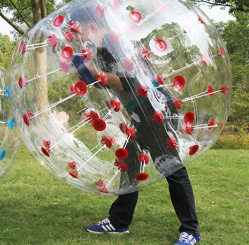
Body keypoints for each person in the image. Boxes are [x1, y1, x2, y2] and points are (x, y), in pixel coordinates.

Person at [70, 6, 200, 245]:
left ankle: (190, 231)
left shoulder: (114, 44)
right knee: (129, 161)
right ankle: (119, 221)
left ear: (90, 25)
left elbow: (133, 82)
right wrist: (88, 74)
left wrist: (97, 73)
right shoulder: (102, 50)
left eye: (78, 29)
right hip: (140, 111)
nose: (78, 36)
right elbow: (110, 83)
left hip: (155, 109)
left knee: (170, 165)